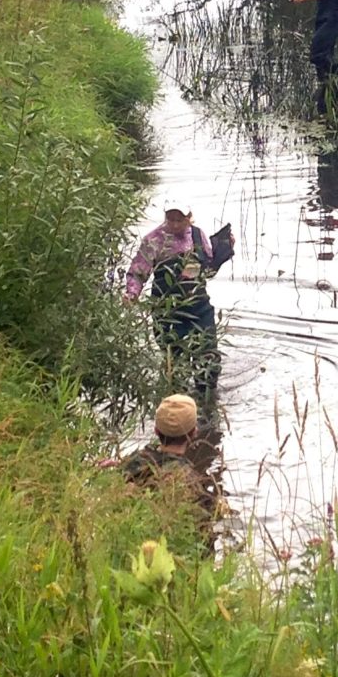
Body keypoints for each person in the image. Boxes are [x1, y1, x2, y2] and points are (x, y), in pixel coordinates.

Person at [126, 200, 221, 395]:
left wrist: (225, 250)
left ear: (189, 217)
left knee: (208, 362)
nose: (175, 224)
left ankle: (208, 410)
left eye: (180, 219)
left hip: (200, 308)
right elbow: (138, 272)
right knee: (175, 370)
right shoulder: (153, 240)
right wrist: (132, 293)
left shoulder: (197, 235)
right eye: (171, 219)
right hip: (167, 313)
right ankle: (176, 412)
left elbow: (208, 270)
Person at [120, 393, 220, 530]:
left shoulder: (134, 462)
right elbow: (203, 529)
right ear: (194, 433)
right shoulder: (191, 480)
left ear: (156, 431)